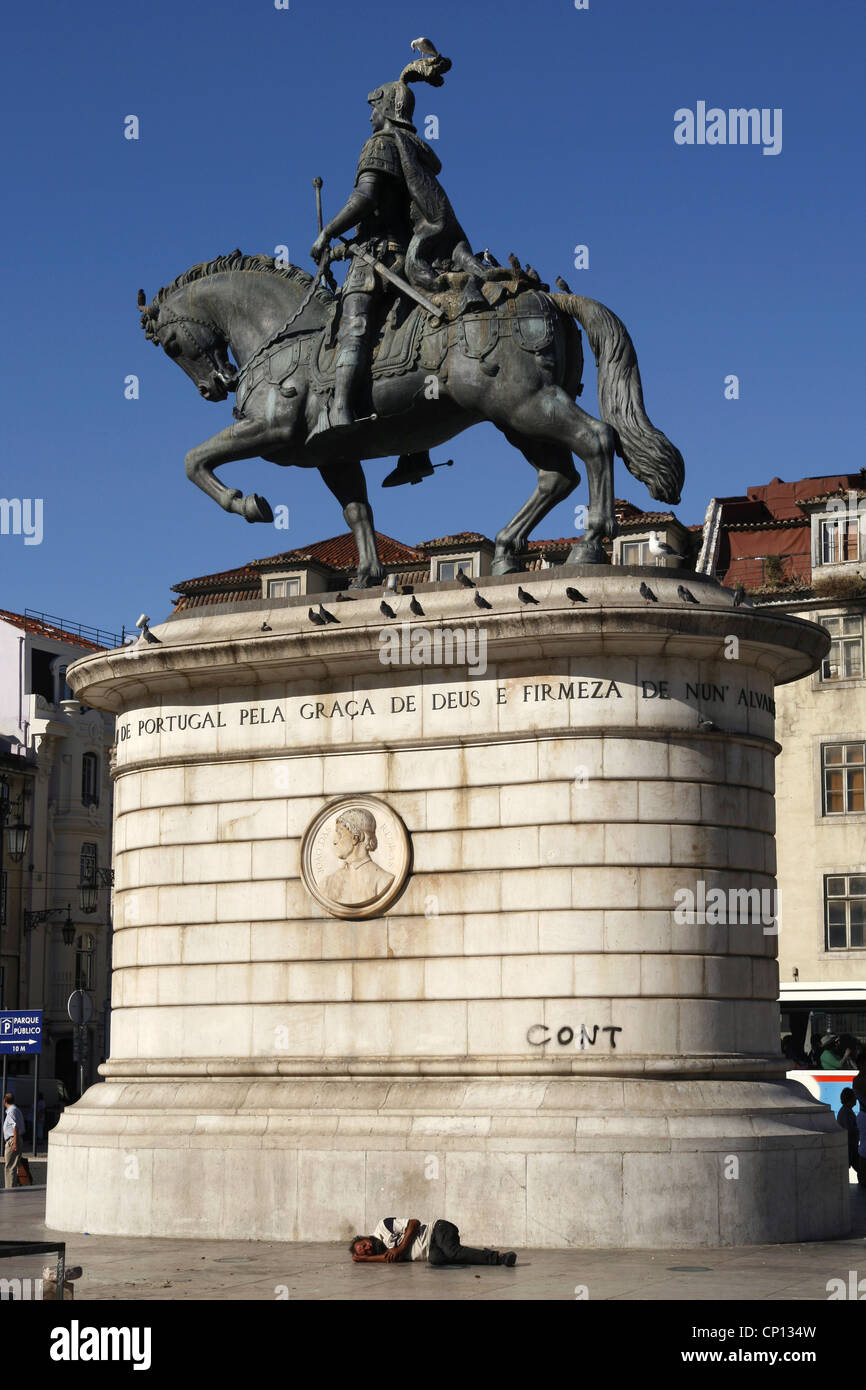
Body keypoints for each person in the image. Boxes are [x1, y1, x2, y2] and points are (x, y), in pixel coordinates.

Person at [307, 40, 495, 444]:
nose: (370, 114)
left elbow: (365, 198)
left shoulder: (380, 143)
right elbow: (383, 215)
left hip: (382, 262)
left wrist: (326, 232)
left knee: (353, 324)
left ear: (387, 108)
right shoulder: (411, 147)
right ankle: (414, 447)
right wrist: (341, 247)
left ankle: (339, 408)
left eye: (374, 106)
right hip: (402, 254)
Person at [350, 1217, 517, 1267]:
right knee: (437, 1260)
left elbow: (414, 1222)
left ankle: (500, 1257)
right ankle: (484, 1254)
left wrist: (400, 1248)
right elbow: (390, 1258)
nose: (369, 1247)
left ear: (364, 1238)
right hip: (432, 1250)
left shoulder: (383, 1226)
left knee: (452, 1252)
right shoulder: (382, 1253)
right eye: (366, 1251)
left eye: (364, 1244)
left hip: (437, 1230)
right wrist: (364, 1259)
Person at [322, 808, 394, 907]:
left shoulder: (383, 880)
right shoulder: (327, 882)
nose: (334, 841)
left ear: (356, 838)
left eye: (339, 834)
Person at [837, 1088, 861, 1178]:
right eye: (854, 1097)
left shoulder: (846, 1111)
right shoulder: (846, 1113)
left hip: (851, 1147)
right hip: (849, 1148)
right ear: (850, 1099)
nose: (856, 1099)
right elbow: (849, 1130)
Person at [3, 1092, 24, 1189]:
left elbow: (15, 1127)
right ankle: (12, 1187)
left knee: (10, 1167)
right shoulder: (16, 1110)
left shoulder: (11, 1111)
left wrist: (14, 1143)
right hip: (16, 1139)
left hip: (12, 1140)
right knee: (13, 1167)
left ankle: (9, 1189)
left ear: (5, 1101)